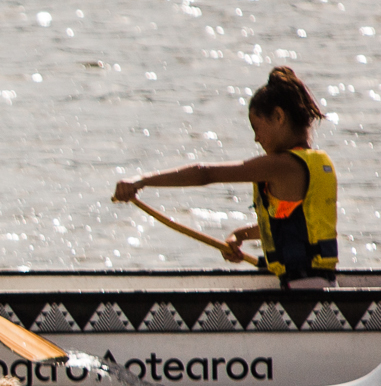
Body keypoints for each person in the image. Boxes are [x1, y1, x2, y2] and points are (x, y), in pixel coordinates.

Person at [111, 66, 338, 285]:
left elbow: (205, 174)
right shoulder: (317, 163)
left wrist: (141, 181)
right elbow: (292, 229)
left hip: (301, 293)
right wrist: (240, 235)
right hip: (319, 283)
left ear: (278, 117)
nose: (256, 139)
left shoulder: (282, 165)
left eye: (257, 128)